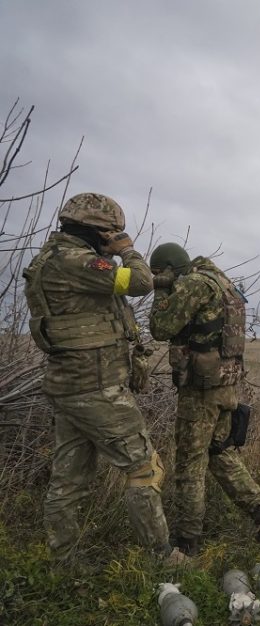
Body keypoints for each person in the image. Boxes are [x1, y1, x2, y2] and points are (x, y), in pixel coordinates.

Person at [22, 192, 182, 563]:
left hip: (69, 386)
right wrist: (127, 249)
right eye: (111, 234)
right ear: (97, 232)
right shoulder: (78, 261)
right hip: (97, 389)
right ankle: (162, 556)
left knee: (69, 478)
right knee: (144, 467)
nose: (114, 241)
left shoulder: (52, 259)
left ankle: (63, 560)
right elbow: (139, 281)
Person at [147, 242, 260, 555]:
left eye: (159, 273)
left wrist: (161, 290)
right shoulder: (223, 283)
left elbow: (160, 327)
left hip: (201, 389)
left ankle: (187, 543)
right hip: (226, 384)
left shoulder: (194, 284)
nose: (159, 278)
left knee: (189, 465)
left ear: (169, 269)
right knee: (218, 452)